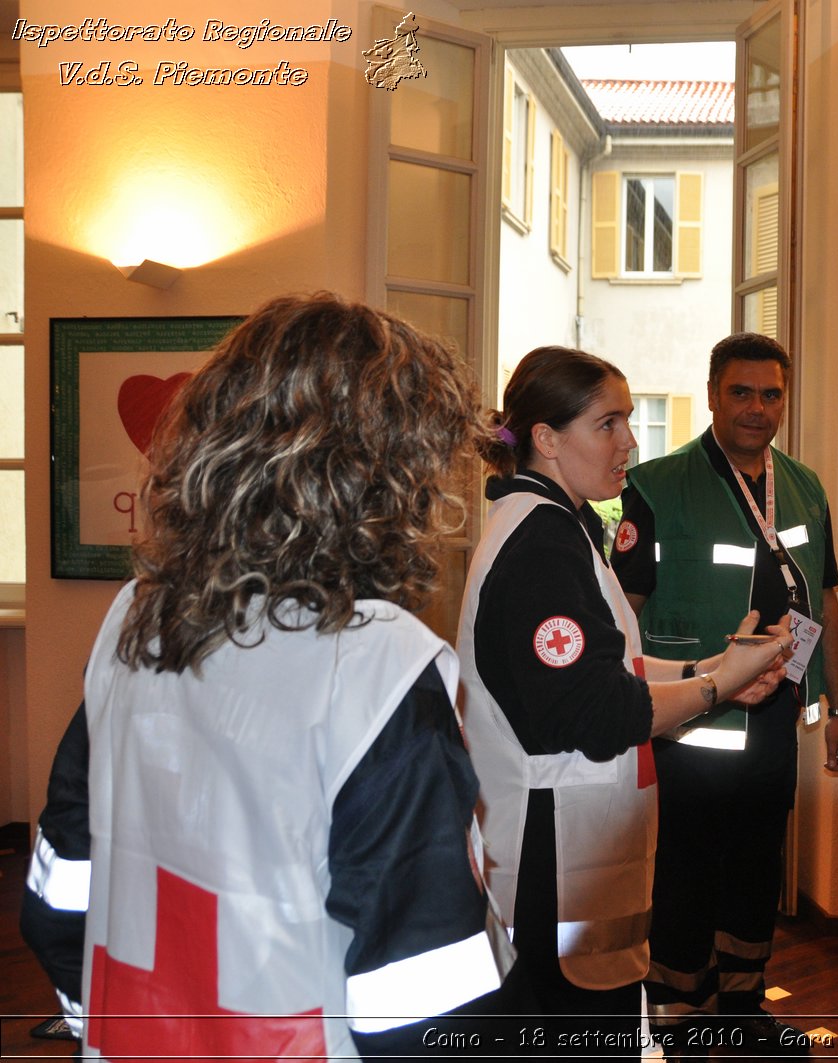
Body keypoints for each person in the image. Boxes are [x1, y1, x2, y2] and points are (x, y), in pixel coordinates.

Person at [19, 293, 505, 1058]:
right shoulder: (375, 668)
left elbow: (58, 897)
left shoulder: (132, 623)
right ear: (382, 480)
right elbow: (427, 1006)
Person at [456, 345, 792, 1055]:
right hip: (554, 859)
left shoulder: (561, 525)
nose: (630, 442)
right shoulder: (542, 544)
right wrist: (716, 687)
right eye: (609, 423)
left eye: (629, 421)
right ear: (545, 439)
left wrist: (716, 661)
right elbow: (597, 709)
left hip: (574, 846)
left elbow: (615, 663)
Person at [611, 332, 838, 1055]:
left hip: (775, 720)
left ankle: (743, 1008)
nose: (757, 408)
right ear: (714, 393)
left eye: (771, 393)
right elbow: (622, 611)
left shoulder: (804, 484)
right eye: (741, 392)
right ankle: (682, 1017)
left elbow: (827, 600)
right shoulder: (654, 486)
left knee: (756, 868)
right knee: (687, 871)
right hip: (692, 722)